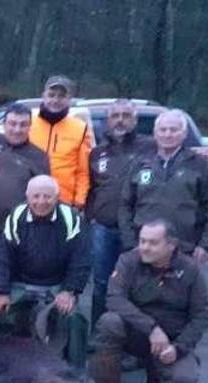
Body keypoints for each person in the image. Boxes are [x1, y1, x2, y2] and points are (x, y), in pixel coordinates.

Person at [91, 219, 208, 383]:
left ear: (171, 245)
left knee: (184, 379)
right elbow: (114, 299)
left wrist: (179, 348)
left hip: (170, 341)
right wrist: (151, 329)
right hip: (135, 333)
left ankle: (158, 376)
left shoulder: (190, 271)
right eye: (142, 241)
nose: (145, 247)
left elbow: (202, 316)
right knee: (109, 322)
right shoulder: (128, 261)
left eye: (153, 243)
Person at [0, 175, 90, 367]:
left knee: (76, 319)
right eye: (36, 196)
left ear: (57, 197)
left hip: (57, 286)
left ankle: (75, 374)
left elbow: (80, 259)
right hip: (23, 284)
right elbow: (3, 257)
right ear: (27, 196)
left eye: (47, 197)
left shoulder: (71, 218)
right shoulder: (16, 216)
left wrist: (70, 291)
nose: (41, 202)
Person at [119, 109, 208, 266]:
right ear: (155, 133)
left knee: (181, 290)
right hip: (144, 248)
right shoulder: (140, 163)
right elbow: (125, 204)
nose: (167, 134)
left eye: (173, 130)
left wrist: (206, 245)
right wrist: (130, 242)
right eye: (163, 130)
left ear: (184, 134)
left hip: (185, 249)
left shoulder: (199, 164)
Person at [0, 103, 49, 312]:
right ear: (4, 124)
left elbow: (42, 196)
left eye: (23, 125)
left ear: (30, 127)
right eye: (12, 123)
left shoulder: (39, 157)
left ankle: (4, 336)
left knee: (9, 288)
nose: (17, 129)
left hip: (16, 235)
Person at [87, 99, 156, 332]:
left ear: (135, 120)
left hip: (139, 232)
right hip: (103, 229)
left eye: (126, 115)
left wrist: (201, 153)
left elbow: (178, 153)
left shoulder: (151, 147)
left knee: (135, 287)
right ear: (108, 121)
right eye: (115, 115)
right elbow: (90, 189)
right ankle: (98, 334)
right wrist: (90, 217)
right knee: (101, 284)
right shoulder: (97, 153)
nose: (120, 120)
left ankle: (131, 339)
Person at [29, 75, 92, 209]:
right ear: (43, 96)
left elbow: (83, 171)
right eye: (51, 95)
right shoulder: (28, 124)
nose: (56, 100)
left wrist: (80, 201)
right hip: (30, 200)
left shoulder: (80, 128)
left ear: (69, 99)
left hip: (64, 201)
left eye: (61, 96)